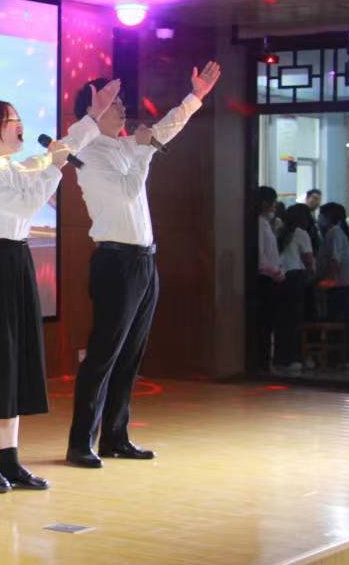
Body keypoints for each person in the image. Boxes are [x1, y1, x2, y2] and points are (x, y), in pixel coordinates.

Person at [0, 81, 120, 492]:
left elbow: (60, 150)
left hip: (16, 264)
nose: (19, 126)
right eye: (10, 121)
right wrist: (54, 166)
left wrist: (92, 117)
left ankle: (10, 462)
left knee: (13, 365)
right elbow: (27, 201)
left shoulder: (16, 168)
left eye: (20, 119)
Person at [65, 61, 222, 468]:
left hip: (143, 260)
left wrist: (196, 96)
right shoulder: (88, 154)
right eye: (114, 102)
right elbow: (127, 191)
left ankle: (116, 437)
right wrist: (145, 151)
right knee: (103, 354)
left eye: (121, 101)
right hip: (115, 262)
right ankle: (80, 442)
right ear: (94, 110)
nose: (123, 108)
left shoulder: (124, 146)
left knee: (131, 354)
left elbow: (165, 128)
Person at [317, 203, 349, 367]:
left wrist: (330, 281)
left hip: (342, 283)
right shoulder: (338, 231)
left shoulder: (334, 232)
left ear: (328, 217)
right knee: (347, 319)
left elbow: (335, 260)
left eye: (321, 215)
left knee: (344, 319)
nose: (319, 219)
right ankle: (345, 357)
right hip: (346, 282)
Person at [275, 203, 315, 373]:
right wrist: (312, 274)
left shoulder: (280, 231)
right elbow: (308, 259)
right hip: (296, 277)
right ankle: (294, 358)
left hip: (280, 278)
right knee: (295, 319)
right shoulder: (301, 233)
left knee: (282, 320)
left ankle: (280, 357)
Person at [256, 187, 286, 372]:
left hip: (271, 277)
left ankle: (265, 361)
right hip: (265, 279)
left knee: (269, 323)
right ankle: (262, 362)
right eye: (273, 202)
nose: (275, 206)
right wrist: (275, 271)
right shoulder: (260, 224)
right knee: (264, 324)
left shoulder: (266, 224)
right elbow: (260, 258)